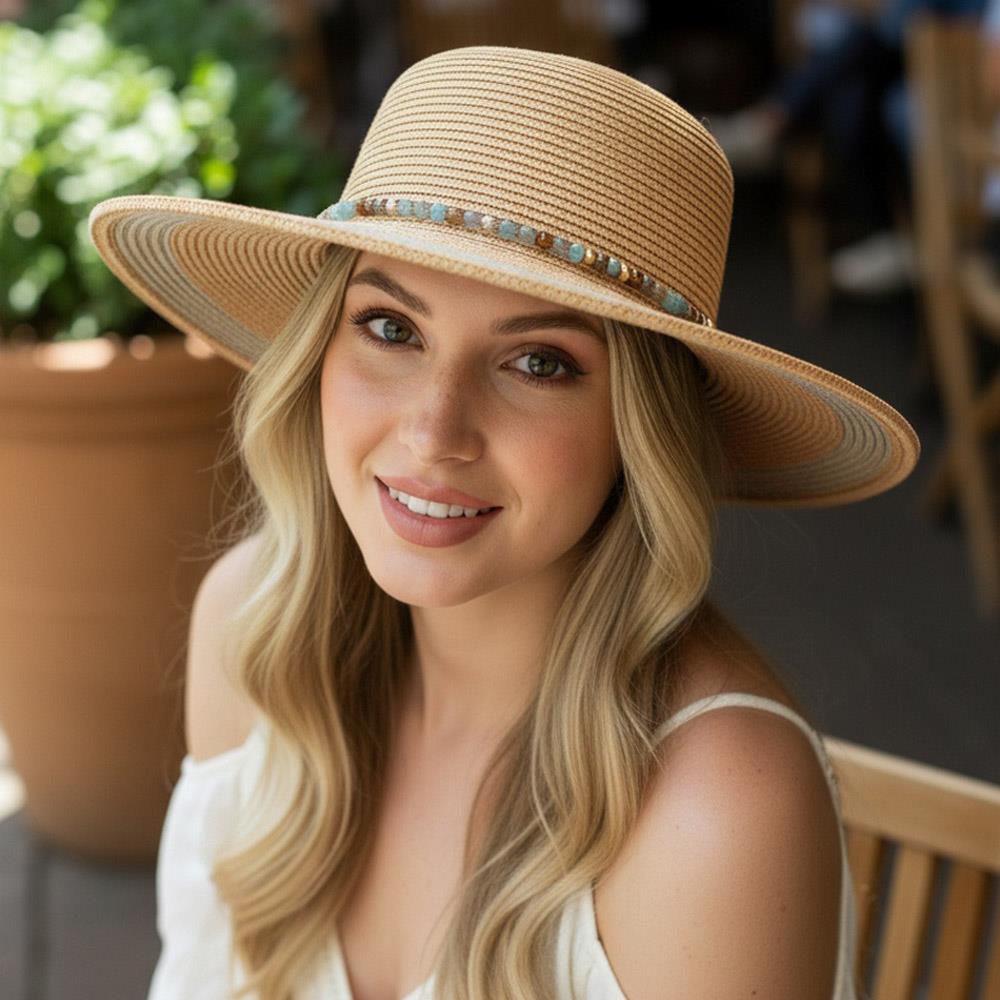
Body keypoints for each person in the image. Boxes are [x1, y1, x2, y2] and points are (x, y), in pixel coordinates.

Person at [89, 45, 919, 1000]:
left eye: (539, 363)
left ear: (641, 429)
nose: (434, 433)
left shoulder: (716, 808)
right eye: (392, 328)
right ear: (316, 351)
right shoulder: (255, 630)